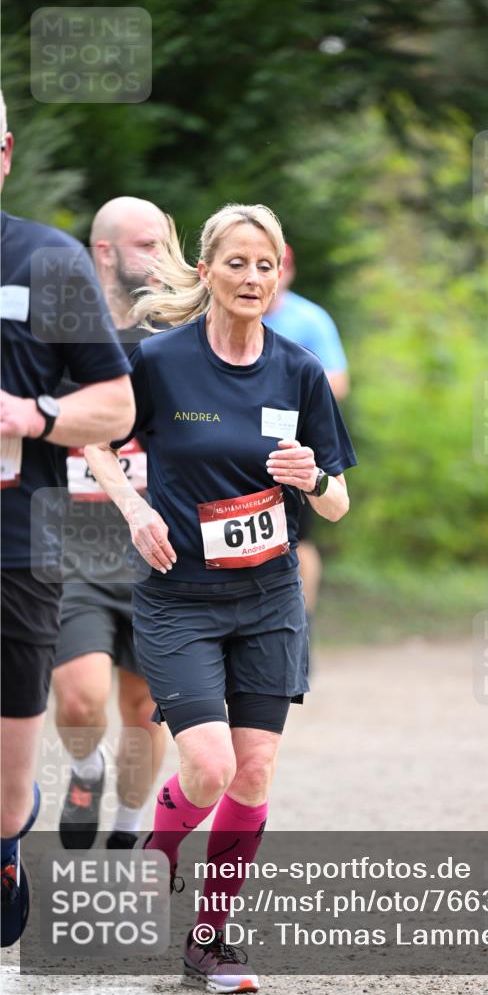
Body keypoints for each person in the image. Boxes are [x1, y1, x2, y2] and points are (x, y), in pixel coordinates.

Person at [83, 203, 356, 991]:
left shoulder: (298, 369)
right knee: (207, 765)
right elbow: (94, 437)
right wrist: (134, 509)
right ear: (206, 272)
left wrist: (314, 480)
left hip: (269, 598)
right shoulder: (162, 361)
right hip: (181, 597)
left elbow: (335, 501)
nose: (252, 278)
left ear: (280, 274)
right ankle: (157, 852)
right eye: (236, 263)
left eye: (264, 265)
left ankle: (209, 941)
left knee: (255, 770)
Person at [0, 90, 134, 947]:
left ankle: (10, 836)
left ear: (5, 153)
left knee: (7, 795)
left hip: (16, 549)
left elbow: (116, 405)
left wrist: (31, 418)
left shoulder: (47, 262)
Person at [52, 197, 169, 851]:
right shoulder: (59, 333)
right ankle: (84, 768)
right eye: (146, 245)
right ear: (105, 252)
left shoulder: (176, 339)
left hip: (157, 553)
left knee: (143, 710)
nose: (160, 259)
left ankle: (128, 829)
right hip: (74, 547)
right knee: (79, 700)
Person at [264, 244, 350, 626]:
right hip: (233, 435)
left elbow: (338, 381)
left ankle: (303, 619)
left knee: (301, 537)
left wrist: (284, 398)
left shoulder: (310, 318)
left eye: (274, 267)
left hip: (295, 441)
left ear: (288, 272)